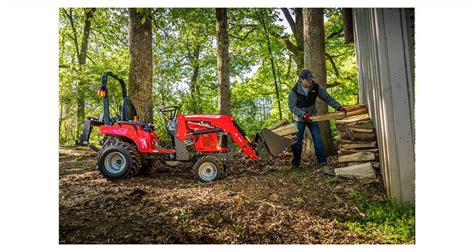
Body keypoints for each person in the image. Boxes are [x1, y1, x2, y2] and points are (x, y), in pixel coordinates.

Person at [288, 69, 346, 175]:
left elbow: (327, 98)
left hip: (313, 117)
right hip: (299, 120)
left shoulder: (316, 87)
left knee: (318, 140)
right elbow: (292, 107)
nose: (310, 82)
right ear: (301, 80)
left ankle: (322, 162)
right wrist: (303, 114)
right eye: (308, 80)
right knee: (297, 142)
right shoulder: (294, 91)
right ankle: (295, 163)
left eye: (311, 79)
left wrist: (338, 107)